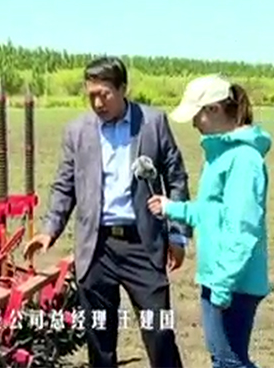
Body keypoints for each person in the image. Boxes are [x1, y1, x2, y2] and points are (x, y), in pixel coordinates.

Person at [24, 56, 190, 368]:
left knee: (160, 333)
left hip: (143, 245)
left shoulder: (152, 123)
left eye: (105, 94)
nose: (98, 103)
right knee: (99, 339)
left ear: (123, 89)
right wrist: (49, 230)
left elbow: (176, 178)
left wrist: (178, 236)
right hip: (96, 248)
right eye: (92, 95)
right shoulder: (77, 131)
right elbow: (64, 185)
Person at [147, 75, 271, 368]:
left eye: (197, 114)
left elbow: (243, 229)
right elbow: (210, 212)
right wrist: (172, 208)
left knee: (229, 362)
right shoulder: (221, 156)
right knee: (226, 359)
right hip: (218, 276)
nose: (194, 123)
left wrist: (224, 284)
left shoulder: (243, 160)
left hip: (233, 281)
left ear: (214, 109)